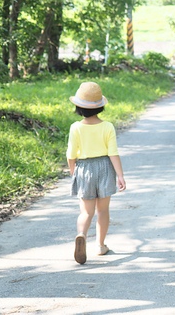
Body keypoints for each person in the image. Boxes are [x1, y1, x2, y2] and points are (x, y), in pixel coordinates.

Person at [66, 81, 126, 264]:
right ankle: (100, 245)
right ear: (100, 107)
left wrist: (73, 172)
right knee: (103, 210)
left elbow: (70, 155)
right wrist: (120, 176)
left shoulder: (75, 127)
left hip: (84, 168)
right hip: (105, 168)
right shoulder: (107, 127)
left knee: (86, 212)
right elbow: (113, 153)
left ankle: (82, 235)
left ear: (78, 107)